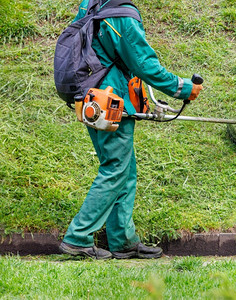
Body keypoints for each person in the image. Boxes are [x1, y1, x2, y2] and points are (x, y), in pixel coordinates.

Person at [59, 0, 203, 259]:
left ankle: (122, 240)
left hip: (91, 98)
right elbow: (144, 64)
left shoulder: (92, 3)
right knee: (115, 167)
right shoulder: (123, 15)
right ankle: (78, 237)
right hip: (112, 100)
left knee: (124, 168)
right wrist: (183, 87)